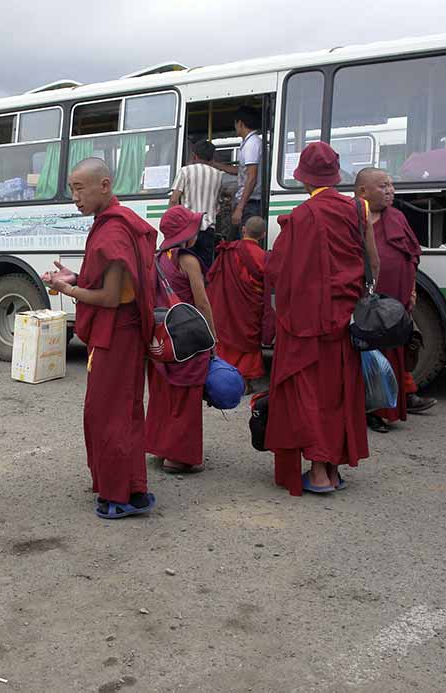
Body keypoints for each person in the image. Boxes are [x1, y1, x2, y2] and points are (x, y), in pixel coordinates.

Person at [42, 158, 157, 519]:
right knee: (124, 410)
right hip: (123, 332)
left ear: (104, 185)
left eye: (80, 188)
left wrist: (66, 289)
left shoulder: (113, 230)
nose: (74, 197)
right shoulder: (116, 222)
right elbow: (111, 283)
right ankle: (133, 488)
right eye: (72, 189)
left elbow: (109, 297)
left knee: (107, 414)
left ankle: (117, 496)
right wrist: (76, 277)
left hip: (116, 334)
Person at [265, 142, 377, 496]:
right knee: (339, 391)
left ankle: (318, 473)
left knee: (310, 393)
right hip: (347, 320)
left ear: (303, 178)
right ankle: (332, 466)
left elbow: (278, 271)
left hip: (308, 322)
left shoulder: (302, 216)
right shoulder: (358, 209)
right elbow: (373, 261)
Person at [355, 167, 437, 434]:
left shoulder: (398, 217)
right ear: (362, 191)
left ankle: (395, 402)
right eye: (383, 186)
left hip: (397, 303)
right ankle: (371, 410)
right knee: (370, 357)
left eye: (391, 185)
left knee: (398, 352)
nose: (390, 190)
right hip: (368, 307)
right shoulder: (352, 216)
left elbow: (411, 257)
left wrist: (411, 289)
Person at [145, 206, 216, 473]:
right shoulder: (187, 260)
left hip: (163, 338)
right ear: (186, 234)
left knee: (163, 395)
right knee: (185, 398)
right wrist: (213, 338)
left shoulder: (157, 258)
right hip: (187, 338)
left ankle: (160, 447)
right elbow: (203, 302)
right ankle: (177, 456)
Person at [205, 215, 268, 388]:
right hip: (249, 310)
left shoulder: (228, 252)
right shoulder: (263, 257)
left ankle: (223, 377)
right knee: (247, 341)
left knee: (227, 338)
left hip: (227, 307)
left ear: (243, 230)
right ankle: (245, 381)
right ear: (263, 235)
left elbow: (212, 276)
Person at [169, 139, 225, 267]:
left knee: (185, 267)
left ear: (194, 155)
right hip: (208, 229)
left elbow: (174, 199)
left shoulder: (185, 171)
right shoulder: (218, 175)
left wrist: (172, 224)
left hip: (188, 229)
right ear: (211, 158)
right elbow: (217, 205)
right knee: (205, 267)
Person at [211, 105, 262, 238]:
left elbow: (252, 177)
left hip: (250, 203)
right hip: (247, 202)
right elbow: (240, 171)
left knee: (245, 244)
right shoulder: (249, 143)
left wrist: (240, 207)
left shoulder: (252, 144)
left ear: (240, 123)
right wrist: (215, 165)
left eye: (235, 124)